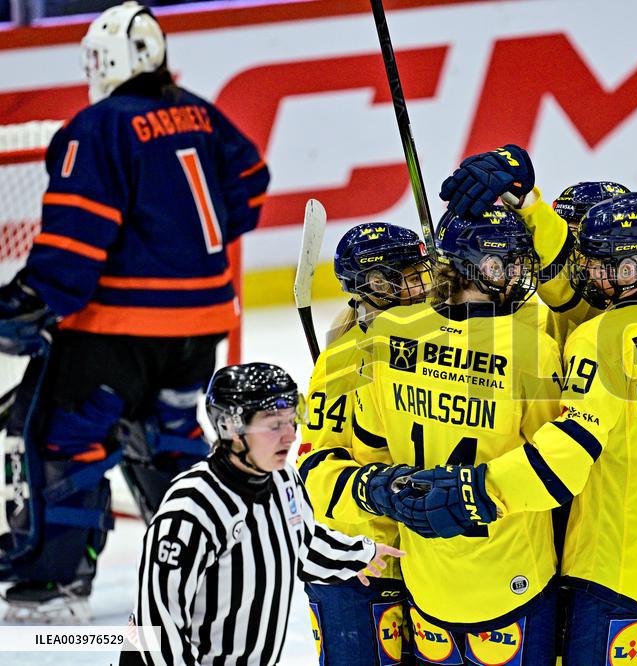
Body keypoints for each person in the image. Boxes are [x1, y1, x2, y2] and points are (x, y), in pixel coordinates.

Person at [398, 151, 637, 664]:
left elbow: (567, 453)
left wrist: (477, 490)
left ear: (628, 265)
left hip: (615, 571)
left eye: (591, 258)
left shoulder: (592, 336)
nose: (581, 268)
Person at [0, 1, 268, 622]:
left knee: (64, 440)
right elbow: (251, 185)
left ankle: (53, 588)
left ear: (108, 61)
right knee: (168, 437)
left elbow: (77, 233)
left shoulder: (97, 126)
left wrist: (37, 297)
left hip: (116, 330)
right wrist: (179, 248)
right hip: (202, 325)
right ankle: (212, 580)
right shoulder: (200, 111)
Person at [349, 206, 564, 665]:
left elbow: (371, 453)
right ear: (486, 268)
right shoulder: (533, 348)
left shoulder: (385, 335)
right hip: (513, 576)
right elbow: (553, 467)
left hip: (426, 581)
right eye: (510, 263)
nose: (519, 273)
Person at [121, 363, 404, 666]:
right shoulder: (191, 509)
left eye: (292, 421)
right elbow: (157, 627)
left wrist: (355, 555)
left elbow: (299, 541)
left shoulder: (283, 481)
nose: (290, 436)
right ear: (231, 427)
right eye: (274, 425)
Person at [296, 223, 432, 666]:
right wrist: (378, 490)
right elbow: (315, 469)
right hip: (358, 562)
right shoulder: (343, 361)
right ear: (375, 284)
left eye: (421, 272)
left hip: (418, 557)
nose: (423, 285)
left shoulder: (436, 342)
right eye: (408, 276)